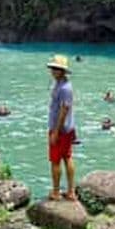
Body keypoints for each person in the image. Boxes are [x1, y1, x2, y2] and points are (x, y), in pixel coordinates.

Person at [46, 54, 77, 202]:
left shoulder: (65, 88)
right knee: (67, 156)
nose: (53, 71)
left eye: (56, 69)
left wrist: (56, 132)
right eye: (53, 68)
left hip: (60, 130)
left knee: (56, 160)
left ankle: (57, 192)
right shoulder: (60, 84)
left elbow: (64, 110)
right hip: (67, 128)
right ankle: (71, 191)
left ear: (63, 71)